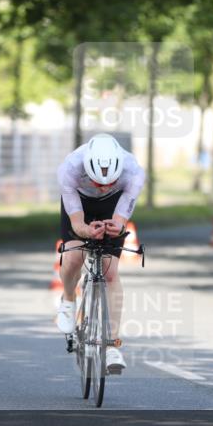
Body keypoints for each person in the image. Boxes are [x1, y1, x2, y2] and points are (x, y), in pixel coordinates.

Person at [55, 133, 145, 374]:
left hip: (112, 203)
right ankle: (68, 300)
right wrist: (85, 229)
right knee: (74, 256)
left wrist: (118, 225)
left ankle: (113, 345)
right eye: (97, 182)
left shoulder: (133, 172)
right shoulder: (70, 169)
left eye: (107, 182)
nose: (102, 186)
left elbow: (121, 215)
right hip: (79, 202)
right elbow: (76, 223)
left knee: (110, 272)